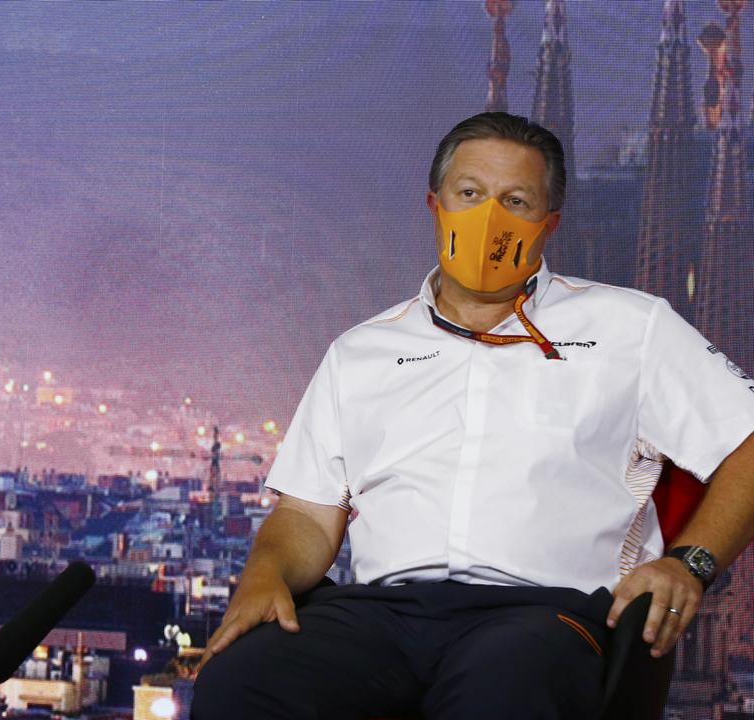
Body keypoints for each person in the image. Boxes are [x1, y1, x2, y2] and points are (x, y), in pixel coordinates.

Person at [192, 112, 754, 719]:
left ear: (550, 223)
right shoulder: (361, 351)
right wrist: (265, 571)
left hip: (549, 614)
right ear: (434, 205)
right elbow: (307, 512)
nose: (490, 218)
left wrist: (690, 561)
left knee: (503, 687)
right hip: (385, 616)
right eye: (470, 193)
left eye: (516, 200)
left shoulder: (630, 327)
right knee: (240, 683)